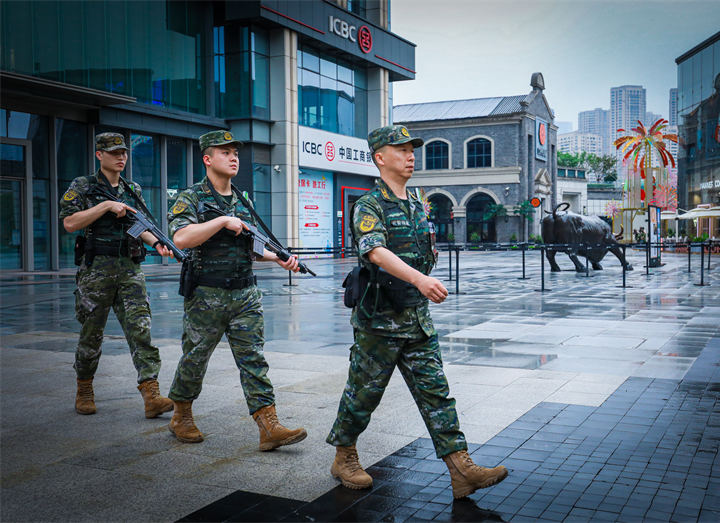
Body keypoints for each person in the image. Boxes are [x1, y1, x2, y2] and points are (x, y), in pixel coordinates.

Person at [326, 125, 508, 498]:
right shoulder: (369, 205)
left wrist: (424, 273)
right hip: (379, 321)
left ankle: (461, 470)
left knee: (436, 393)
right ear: (380, 157)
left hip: (416, 319)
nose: (411, 155)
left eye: (412, 149)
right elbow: (375, 251)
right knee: (363, 395)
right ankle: (344, 456)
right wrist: (418, 279)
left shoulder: (415, 203)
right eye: (401, 149)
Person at [166, 130, 307, 451]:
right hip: (206, 295)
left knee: (253, 358)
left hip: (245, 293)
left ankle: (268, 424)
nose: (233, 158)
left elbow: (252, 245)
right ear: (207, 158)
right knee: (195, 357)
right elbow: (182, 238)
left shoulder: (244, 201)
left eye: (236, 153)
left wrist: (279, 259)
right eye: (225, 152)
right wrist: (221, 222)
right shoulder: (190, 198)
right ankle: (181, 414)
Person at [59, 132, 174, 418]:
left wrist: (157, 242)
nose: (121, 157)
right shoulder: (83, 186)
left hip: (129, 269)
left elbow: (137, 225)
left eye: (123, 152)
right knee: (91, 333)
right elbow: (70, 223)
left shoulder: (131, 188)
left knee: (141, 330)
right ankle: (84, 389)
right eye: (114, 153)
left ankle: (151, 394)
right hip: (96, 270)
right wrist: (106, 206)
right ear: (99, 155)